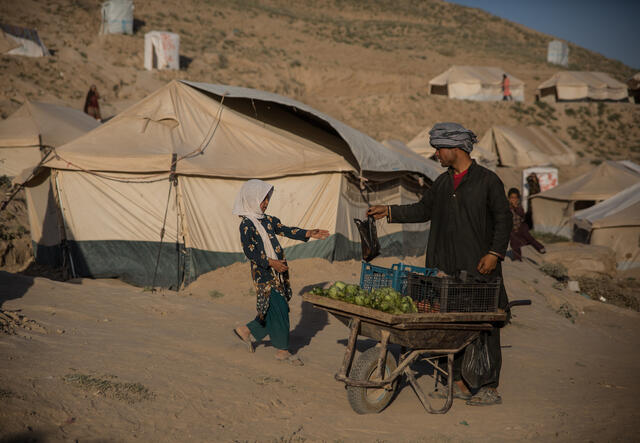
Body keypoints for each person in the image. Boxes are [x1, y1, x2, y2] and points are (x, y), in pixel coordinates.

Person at [367, 122, 512, 406]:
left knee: (484, 328)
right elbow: (423, 209)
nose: (436, 154)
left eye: (439, 149)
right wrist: (390, 211)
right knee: (448, 325)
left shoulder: (487, 181)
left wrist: (494, 253)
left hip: (479, 268)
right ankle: (456, 382)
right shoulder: (443, 182)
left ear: (456, 148)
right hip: (444, 268)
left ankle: (488, 388)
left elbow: (504, 220)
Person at [232, 179, 329, 366]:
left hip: (277, 270)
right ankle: (282, 350)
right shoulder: (246, 225)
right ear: (252, 199)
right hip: (264, 273)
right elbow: (250, 252)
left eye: (267, 199)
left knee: (272, 307)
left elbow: (284, 229)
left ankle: (246, 330)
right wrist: (271, 263)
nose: (266, 203)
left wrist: (307, 233)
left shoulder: (267, 220)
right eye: (262, 199)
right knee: (281, 308)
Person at [508, 187, 545, 261]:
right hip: (512, 229)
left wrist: (516, 208)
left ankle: (540, 248)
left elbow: (522, 214)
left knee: (529, 238)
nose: (513, 200)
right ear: (508, 198)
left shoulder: (519, 207)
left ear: (518, 199)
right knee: (515, 244)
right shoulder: (506, 207)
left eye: (515, 198)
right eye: (512, 198)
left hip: (521, 227)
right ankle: (517, 259)